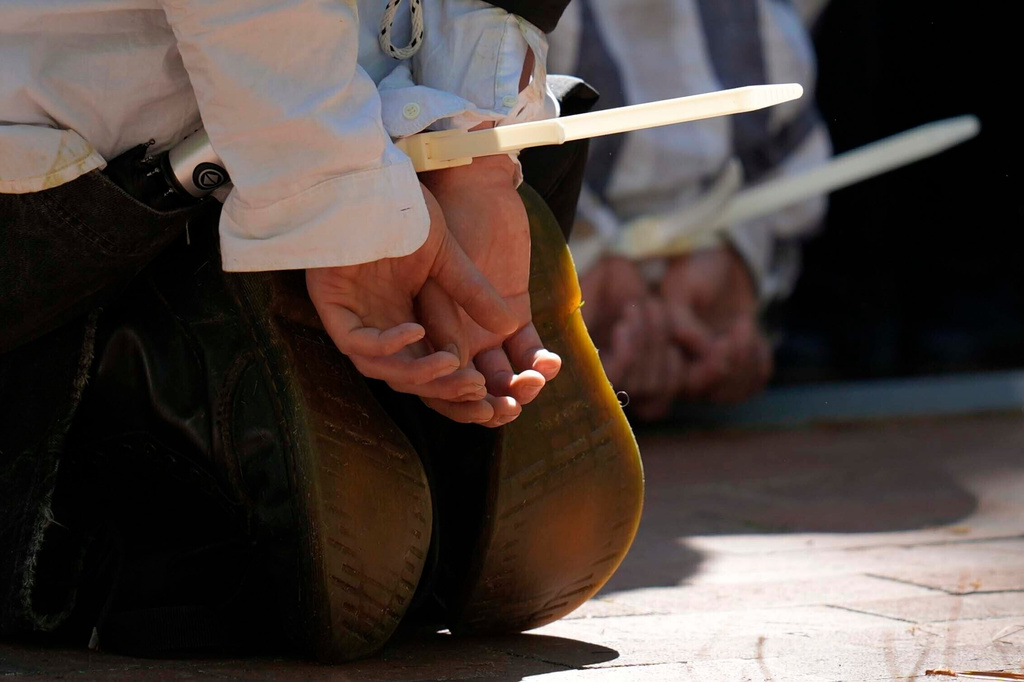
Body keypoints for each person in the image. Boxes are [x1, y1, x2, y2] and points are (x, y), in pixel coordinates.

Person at [1, 0, 642, 662]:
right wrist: (474, 148)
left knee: (177, 569)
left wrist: (345, 198)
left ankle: (207, 480)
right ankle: (438, 487)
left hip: (120, 158)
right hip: (377, 101)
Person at [547, 0, 833, 420]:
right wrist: (570, 272)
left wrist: (739, 267)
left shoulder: (768, 28)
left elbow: (785, 152)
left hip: (707, 286)